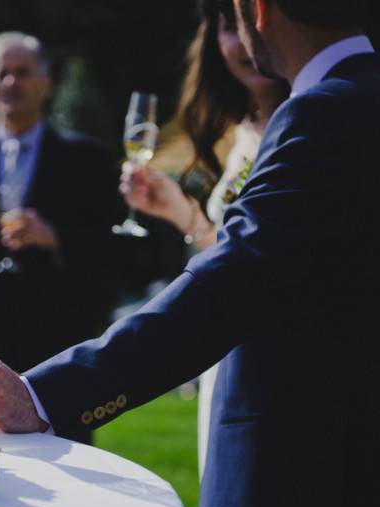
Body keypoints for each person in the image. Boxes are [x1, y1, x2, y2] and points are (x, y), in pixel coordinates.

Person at [0, 1, 380, 507]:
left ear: (257, 10)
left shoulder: (320, 112)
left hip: (302, 468)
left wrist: (43, 395)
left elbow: (224, 290)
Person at [121, 0, 288, 481]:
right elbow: (232, 249)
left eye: (246, 21)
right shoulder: (242, 130)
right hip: (223, 351)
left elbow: (258, 265)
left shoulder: (305, 125)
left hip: (272, 361)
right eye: (227, 27)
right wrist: (179, 211)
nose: (243, 39)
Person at [0, 32, 129, 387]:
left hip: (59, 343)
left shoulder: (86, 158)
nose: (11, 82)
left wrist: (55, 237)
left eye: (23, 72)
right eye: (2, 73)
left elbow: (117, 245)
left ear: (46, 83)